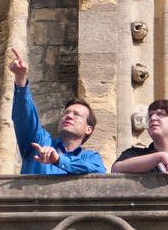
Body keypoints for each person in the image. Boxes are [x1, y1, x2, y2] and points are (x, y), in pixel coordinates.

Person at [8, 47, 105, 175]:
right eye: (66, 113)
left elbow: (97, 170)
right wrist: (20, 79)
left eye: (77, 115)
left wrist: (58, 160)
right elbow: (25, 118)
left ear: (88, 129)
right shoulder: (41, 142)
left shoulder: (90, 157)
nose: (69, 116)